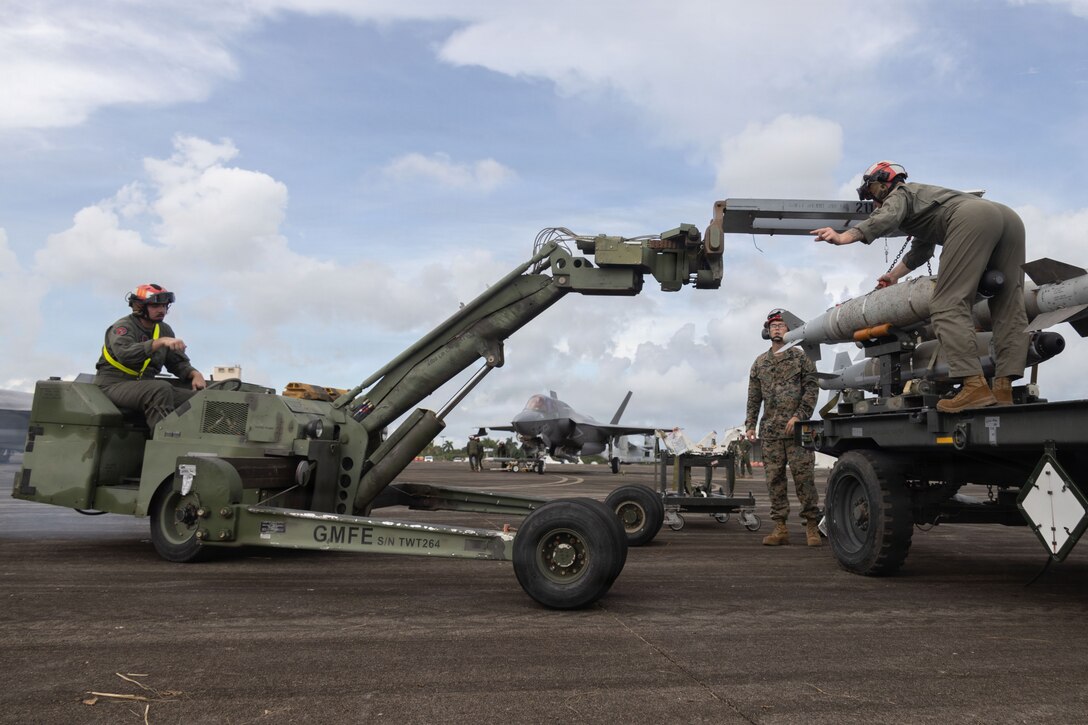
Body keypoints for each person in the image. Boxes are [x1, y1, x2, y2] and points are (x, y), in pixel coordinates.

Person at [811, 160, 1030, 413]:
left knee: (947, 304)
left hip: (973, 219)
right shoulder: (924, 200)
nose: (873, 201)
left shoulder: (900, 193)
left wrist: (845, 237)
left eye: (871, 192)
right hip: (1008, 218)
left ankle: (974, 386)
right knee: (1008, 303)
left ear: (884, 182)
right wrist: (894, 276)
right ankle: (1003, 388)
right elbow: (921, 250)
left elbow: (886, 216)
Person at [745, 309, 822, 547]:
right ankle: (780, 528)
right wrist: (750, 423)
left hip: (798, 431)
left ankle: (811, 526)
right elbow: (754, 396)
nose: (777, 329)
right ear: (767, 332)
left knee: (804, 479)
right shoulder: (760, 363)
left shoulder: (801, 358)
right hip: (771, 431)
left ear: (788, 330)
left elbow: (812, 388)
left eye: (781, 325)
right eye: (773, 326)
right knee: (774, 480)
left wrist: (800, 415)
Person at [94, 283, 206, 433]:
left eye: (165, 306)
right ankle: (163, 443)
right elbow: (126, 354)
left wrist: (194, 374)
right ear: (139, 306)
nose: (162, 310)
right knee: (159, 389)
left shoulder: (164, 329)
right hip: (114, 384)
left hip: (143, 386)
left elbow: (177, 362)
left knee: (202, 400)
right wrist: (158, 343)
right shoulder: (123, 327)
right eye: (155, 306)